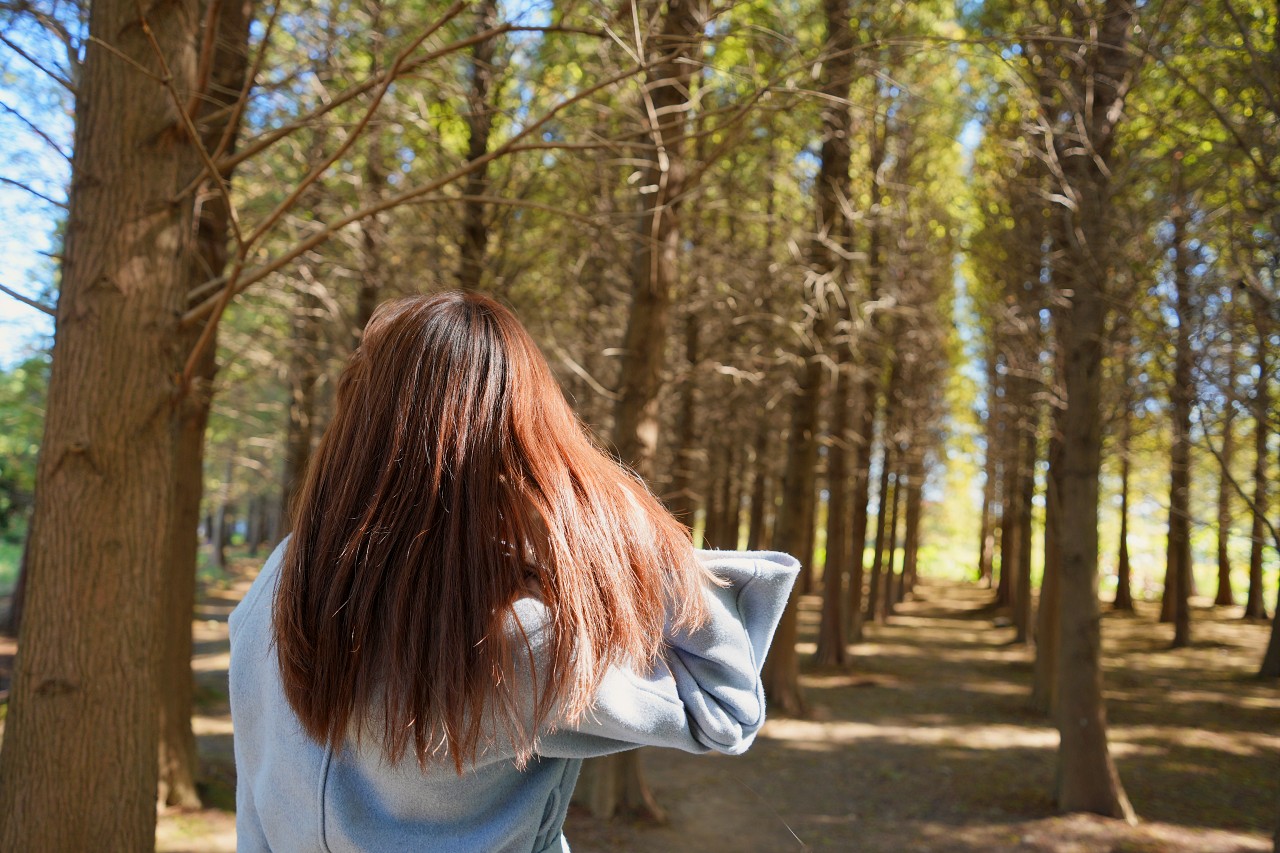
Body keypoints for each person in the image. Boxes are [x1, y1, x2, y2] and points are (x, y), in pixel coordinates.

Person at [228, 291, 799, 853]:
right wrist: (593, 505)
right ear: (522, 444)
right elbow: (725, 708)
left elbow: (255, 802)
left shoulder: (278, 587)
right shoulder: (513, 638)